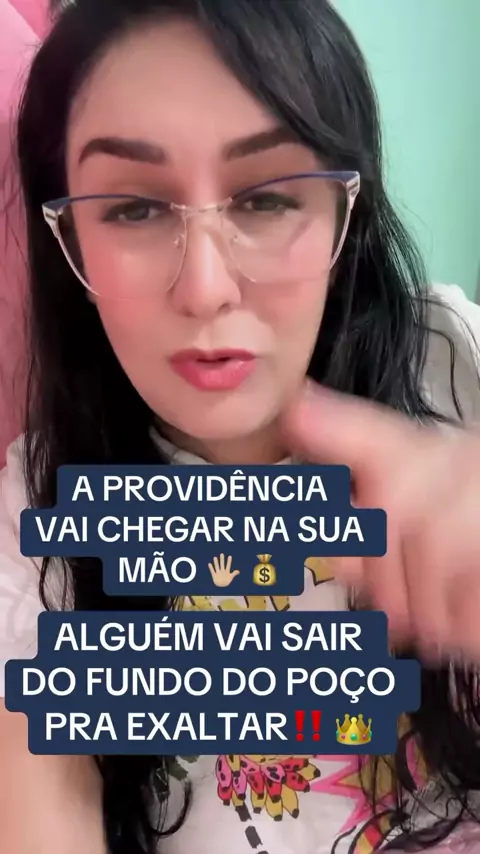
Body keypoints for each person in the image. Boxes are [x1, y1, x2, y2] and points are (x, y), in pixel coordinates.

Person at [1, 0, 480, 852]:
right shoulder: (36, 528)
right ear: (66, 234)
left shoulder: (455, 364)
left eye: (265, 199)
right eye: (134, 208)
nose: (206, 289)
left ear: (345, 214)